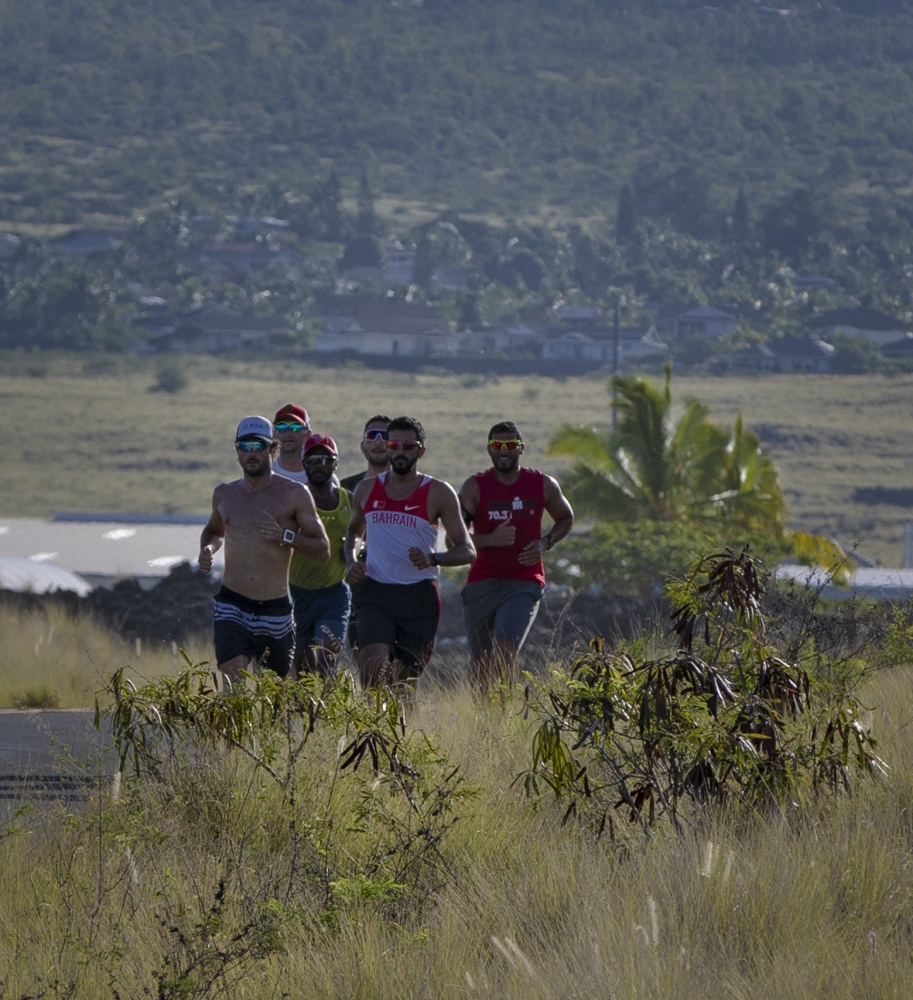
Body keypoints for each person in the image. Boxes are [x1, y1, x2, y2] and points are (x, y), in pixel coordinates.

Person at [344, 416, 476, 690]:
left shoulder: (439, 492)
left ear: (420, 451)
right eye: (394, 445)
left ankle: (399, 730)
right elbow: (354, 533)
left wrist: (433, 558)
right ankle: (372, 731)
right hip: (375, 593)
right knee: (371, 671)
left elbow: (467, 550)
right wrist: (352, 560)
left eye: (408, 446)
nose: (400, 452)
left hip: (418, 597)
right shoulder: (367, 489)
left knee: (404, 686)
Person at [198, 415, 330, 684]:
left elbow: (322, 549)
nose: (252, 453)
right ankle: (234, 726)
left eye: (259, 446)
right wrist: (208, 550)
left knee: (274, 690)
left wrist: (287, 536)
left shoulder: (294, 494)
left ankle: (275, 726)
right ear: (237, 451)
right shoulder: (224, 494)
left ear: (274, 449)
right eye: (245, 446)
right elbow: (214, 530)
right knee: (233, 681)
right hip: (232, 603)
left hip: (275, 608)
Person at [459, 420, 574, 694]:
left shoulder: (542, 484)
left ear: (520, 448)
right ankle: (485, 721)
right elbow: (453, 537)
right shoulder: (474, 487)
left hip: (524, 581)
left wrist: (546, 542)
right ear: (489, 449)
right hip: (482, 582)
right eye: (498, 445)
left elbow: (566, 517)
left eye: (510, 445)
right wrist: (489, 540)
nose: (504, 450)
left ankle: (503, 712)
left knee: (504, 649)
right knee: (481, 663)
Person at [288, 433, 353, 678]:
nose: (320, 465)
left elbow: (366, 541)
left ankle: (330, 703)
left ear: (335, 464)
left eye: (326, 459)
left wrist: (353, 550)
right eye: (314, 459)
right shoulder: (293, 500)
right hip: (296, 594)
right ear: (303, 463)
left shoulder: (350, 501)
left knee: (327, 648)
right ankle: (308, 714)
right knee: (302, 671)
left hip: (333, 592)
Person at [340, 414, 392, 492]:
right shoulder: (345, 488)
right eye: (371, 435)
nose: (378, 442)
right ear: (362, 447)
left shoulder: (410, 488)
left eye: (385, 437)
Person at [271, 403, 311, 483]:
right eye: (281, 427)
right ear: (274, 433)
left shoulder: (321, 477)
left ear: (307, 434)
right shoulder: (267, 476)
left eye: (296, 427)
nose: (288, 433)